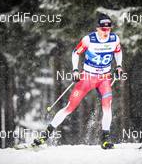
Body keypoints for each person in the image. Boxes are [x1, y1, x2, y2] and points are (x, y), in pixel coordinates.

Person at [33, 13, 123, 149]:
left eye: (109, 29)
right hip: (87, 78)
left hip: (104, 79)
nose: (106, 32)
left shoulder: (114, 39)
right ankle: (44, 136)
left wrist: (119, 66)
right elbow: (76, 53)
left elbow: (118, 51)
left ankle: (105, 140)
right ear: (97, 28)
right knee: (69, 108)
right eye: (103, 29)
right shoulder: (88, 40)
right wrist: (75, 70)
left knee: (107, 108)